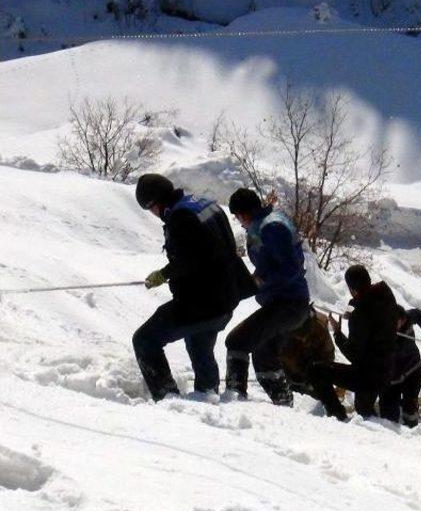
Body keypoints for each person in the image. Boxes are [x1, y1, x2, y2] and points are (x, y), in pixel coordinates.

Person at [132, 174, 254, 402]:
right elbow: (213, 250)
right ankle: (206, 397)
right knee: (199, 344)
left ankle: (168, 399)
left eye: (150, 209)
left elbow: (191, 259)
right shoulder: (204, 203)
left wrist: (163, 274)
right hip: (225, 300)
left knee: (144, 340)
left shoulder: (180, 216)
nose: (154, 215)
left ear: (155, 203)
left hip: (202, 303)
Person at [224, 188, 310, 406]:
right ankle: (283, 405)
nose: (238, 221)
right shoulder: (264, 225)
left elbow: (289, 268)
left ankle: (234, 402)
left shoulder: (272, 227)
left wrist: (260, 281)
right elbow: (270, 265)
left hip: (288, 303)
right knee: (264, 355)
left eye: (237, 216)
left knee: (237, 341)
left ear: (244, 213)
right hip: (285, 302)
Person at [308, 265, 398, 421]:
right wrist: (354, 306)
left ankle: (339, 416)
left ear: (352, 288)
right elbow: (369, 306)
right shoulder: (386, 296)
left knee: (316, 371)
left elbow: (353, 354)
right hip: (388, 368)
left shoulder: (360, 315)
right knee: (364, 409)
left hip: (369, 375)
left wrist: (337, 333)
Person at [379, 305, 421, 427]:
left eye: (395, 322)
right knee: (388, 418)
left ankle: (412, 433)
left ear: (403, 320)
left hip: (413, 371)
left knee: (410, 409)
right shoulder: (383, 327)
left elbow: (419, 314)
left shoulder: (408, 317)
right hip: (393, 377)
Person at [279, 306, 335, 397]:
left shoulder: (320, 328)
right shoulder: (285, 330)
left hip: (313, 364)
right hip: (292, 369)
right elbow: (282, 357)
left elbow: (328, 355)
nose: (303, 338)